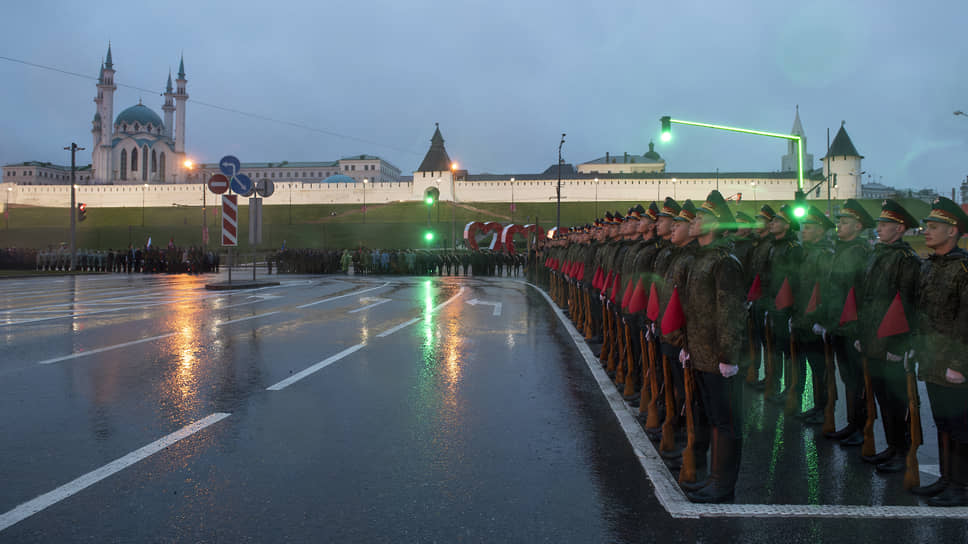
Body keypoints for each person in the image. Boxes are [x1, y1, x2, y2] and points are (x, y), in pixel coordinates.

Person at [680, 190, 746, 503]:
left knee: (727, 420)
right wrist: (687, 344)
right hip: (701, 353)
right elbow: (693, 308)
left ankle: (724, 483)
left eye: (701, 217)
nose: (695, 220)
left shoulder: (724, 261)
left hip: (718, 357)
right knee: (712, 417)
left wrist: (728, 355)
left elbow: (730, 311)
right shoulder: (701, 259)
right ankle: (713, 478)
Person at [855, 199, 920, 473]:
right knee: (881, 396)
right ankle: (893, 446)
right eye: (879, 224)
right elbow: (866, 298)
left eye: (885, 224)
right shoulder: (877, 254)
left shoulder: (907, 261)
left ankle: (904, 450)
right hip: (873, 337)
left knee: (897, 400)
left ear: (900, 229)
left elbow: (907, 303)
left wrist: (900, 344)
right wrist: (862, 334)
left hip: (891, 341)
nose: (879, 228)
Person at [913, 196, 968, 506]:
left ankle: (961, 485)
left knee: (960, 426)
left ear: (953, 231)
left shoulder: (963, 268)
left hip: (953, 361)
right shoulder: (931, 266)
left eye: (934, 227)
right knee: (943, 421)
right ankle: (947, 479)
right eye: (926, 226)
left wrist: (960, 364)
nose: (926, 231)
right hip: (933, 357)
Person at [821, 199, 875, 446]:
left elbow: (862, 295)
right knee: (848, 380)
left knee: (858, 380)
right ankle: (853, 424)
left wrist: (859, 331)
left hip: (852, 326)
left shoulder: (860, 253)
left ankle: (862, 428)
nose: (838, 226)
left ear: (858, 226)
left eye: (844, 222)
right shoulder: (842, 251)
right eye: (839, 222)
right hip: (839, 325)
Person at [792, 206, 834, 422]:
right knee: (814, 366)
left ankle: (826, 409)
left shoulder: (824, 254)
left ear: (820, 230)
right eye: (803, 227)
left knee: (822, 369)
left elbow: (825, 290)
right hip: (804, 318)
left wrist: (821, 320)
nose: (803, 231)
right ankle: (819, 406)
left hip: (815, 320)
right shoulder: (808, 253)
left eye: (808, 228)